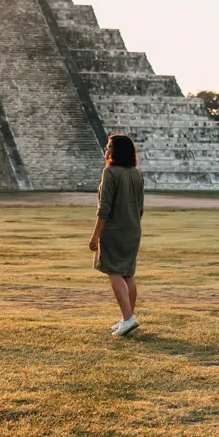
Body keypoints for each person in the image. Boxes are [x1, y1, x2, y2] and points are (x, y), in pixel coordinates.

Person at [88, 133, 144, 337]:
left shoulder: (110, 172)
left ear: (117, 151)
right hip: (133, 228)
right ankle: (127, 317)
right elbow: (140, 206)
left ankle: (128, 318)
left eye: (109, 146)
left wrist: (95, 236)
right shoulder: (137, 173)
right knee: (128, 273)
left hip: (114, 229)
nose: (106, 149)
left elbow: (104, 208)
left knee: (114, 272)